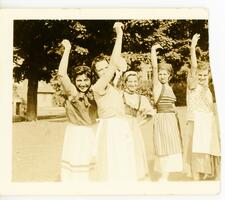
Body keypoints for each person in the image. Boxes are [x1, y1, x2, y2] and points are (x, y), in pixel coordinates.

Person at [91, 22, 147, 181]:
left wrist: (118, 71)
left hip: (121, 125)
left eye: (105, 68)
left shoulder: (112, 86)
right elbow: (115, 60)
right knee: (112, 165)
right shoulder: (98, 86)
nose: (103, 71)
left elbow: (115, 67)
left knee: (124, 164)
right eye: (100, 70)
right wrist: (119, 33)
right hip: (110, 127)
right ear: (96, 73)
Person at [58, 39, 98, 181]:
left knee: (92, 169)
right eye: (79, 80)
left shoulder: (95, 93)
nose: (82, 83)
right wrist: (67, 49)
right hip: (76, 133)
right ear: (74, 81)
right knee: (77, 166)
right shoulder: (72, 93)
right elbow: (62, 74)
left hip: (93, 132)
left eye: (86, 80)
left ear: (91, 80)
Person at [183, 33, 221, 180]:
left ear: (208, 75)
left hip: (207, 120)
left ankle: (209, 173)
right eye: (200, 75)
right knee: (196, 149)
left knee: (209, 148)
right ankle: (196, 177)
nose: (202, 77)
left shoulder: (208, 88)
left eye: (205, 75)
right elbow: (193, 66)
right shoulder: (193, 84)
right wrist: (192, 47)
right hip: (195, 120)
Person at [151, 44, 183, 181]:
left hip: (172, 119)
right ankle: (164, 175)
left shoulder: (169, 87)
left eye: (165, 74)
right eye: (160, 74)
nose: (162, 76)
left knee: (173, 145)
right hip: (162, 119)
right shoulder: (157, 86)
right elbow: (154, 67)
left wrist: (176, 114)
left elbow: (172, 104)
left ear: (170, 76)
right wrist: (153, 50)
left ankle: (169, 173)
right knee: (164, 145)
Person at [122, 70, 155, 179]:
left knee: (134, 149)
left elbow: (150, 114)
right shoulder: (120, 95)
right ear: (125, 82)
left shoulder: (141, 98)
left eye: (135, 81)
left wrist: (139, 124)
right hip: (121, 126)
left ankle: (134, 174)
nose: (133, 84)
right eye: (130, 81)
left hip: (133, 126)